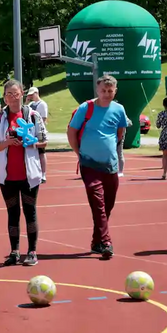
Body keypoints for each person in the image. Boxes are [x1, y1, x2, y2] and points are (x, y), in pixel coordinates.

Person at [67, 75, 128, 259]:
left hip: (110, 165)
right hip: (89, 164)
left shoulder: (119, 109)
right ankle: (106, 242)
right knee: (98, 204)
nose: (106, 94)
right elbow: (71, 131)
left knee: (107, 205)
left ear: (115, 91)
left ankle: (97, 241)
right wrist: (79, 153)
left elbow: (120, 132)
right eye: (103, 91)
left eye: (110, 91)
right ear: (97, 90)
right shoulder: (85, 108)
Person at [0, 80, 47, 266]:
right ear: (4, 97)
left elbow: (44, 141)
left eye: (16, 94)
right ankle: (14, 251)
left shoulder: (33, 115)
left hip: (29, 175)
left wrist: (31, 143)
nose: (13, 98)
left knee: (30, 212)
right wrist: (7, 143)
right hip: (8, 176)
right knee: (12, 213)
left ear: (22, 94)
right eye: (9, 94)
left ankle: (32, 251)